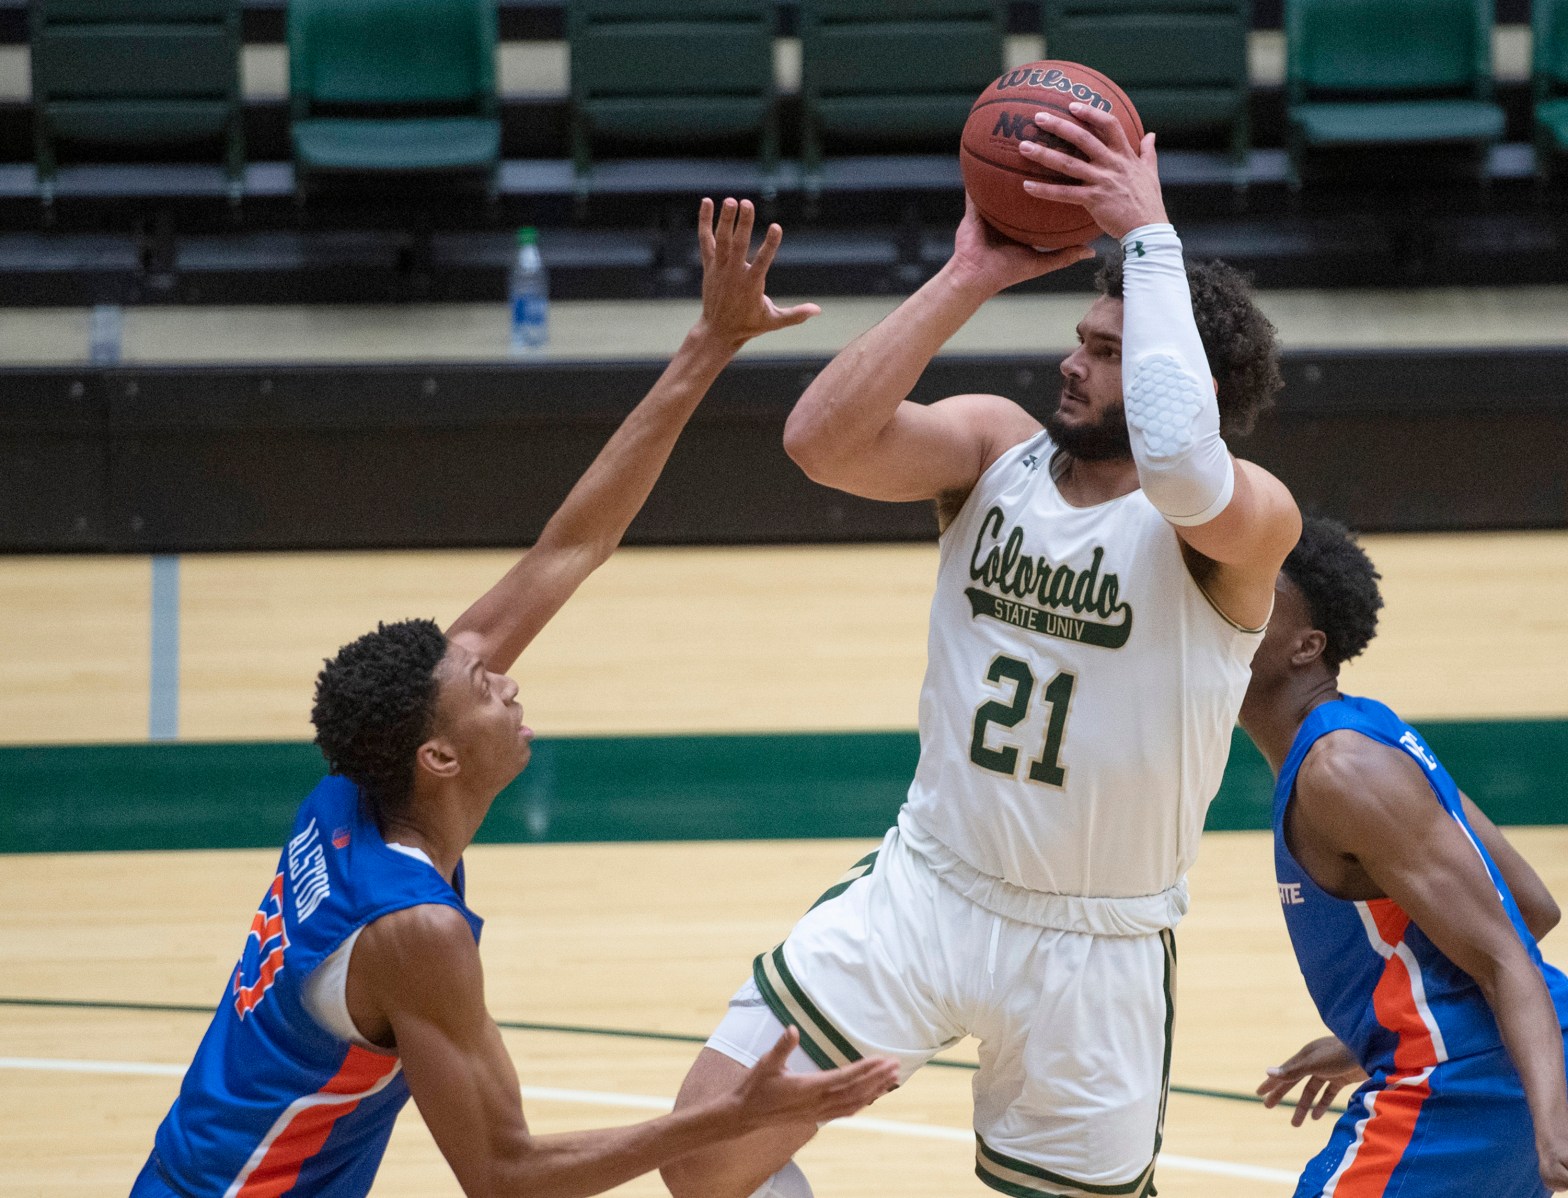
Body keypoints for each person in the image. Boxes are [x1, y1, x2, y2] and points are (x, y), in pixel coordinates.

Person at [128, 198, 900, 1198]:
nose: (505, 677)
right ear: (438, 756)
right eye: (482, 687)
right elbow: (504, 1177)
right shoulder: (416, 932)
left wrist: (708, 346)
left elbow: (571, 547)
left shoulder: (362, 788)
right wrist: (725, 1120)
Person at [661, 102, 1303, 1198]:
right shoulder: (994, 448)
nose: (1072, 361)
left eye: (1109, 351)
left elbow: (1182, 467)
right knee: (703, 1156)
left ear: (1178, 374)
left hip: (1095, 947)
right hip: (930, 887)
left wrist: (1149, 236)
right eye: (1081, 337)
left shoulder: (1237, 522)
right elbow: (818, 443)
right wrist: (967, 275)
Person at [1239, 516, 1568, 1196]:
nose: (1226, 612)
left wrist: (1553, 1126)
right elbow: (1532, 905)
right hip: (1494, 1067)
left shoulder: (1341, 771)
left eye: (1254, 599)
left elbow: (1506, 951)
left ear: (1307, 647)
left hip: (1459, 1087)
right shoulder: (1366, 730)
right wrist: (1374, 1034)